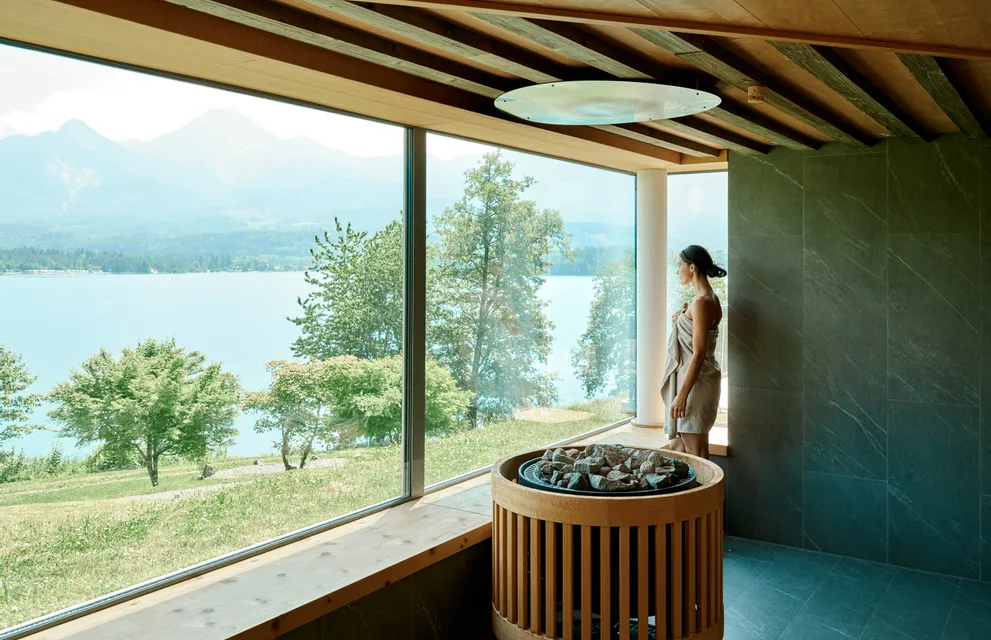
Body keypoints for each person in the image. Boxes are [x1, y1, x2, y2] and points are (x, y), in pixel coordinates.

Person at [661, 245, 726, 459]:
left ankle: (709, 493)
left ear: (692, 268)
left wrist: (681, 396)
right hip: (700, 381)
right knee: (679, 449)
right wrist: (680, 319)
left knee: (697, 455)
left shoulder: (701, 302)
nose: (677, 270)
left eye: (679, 265)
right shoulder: (710, 299)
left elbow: (698, 353)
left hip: (695, 387)